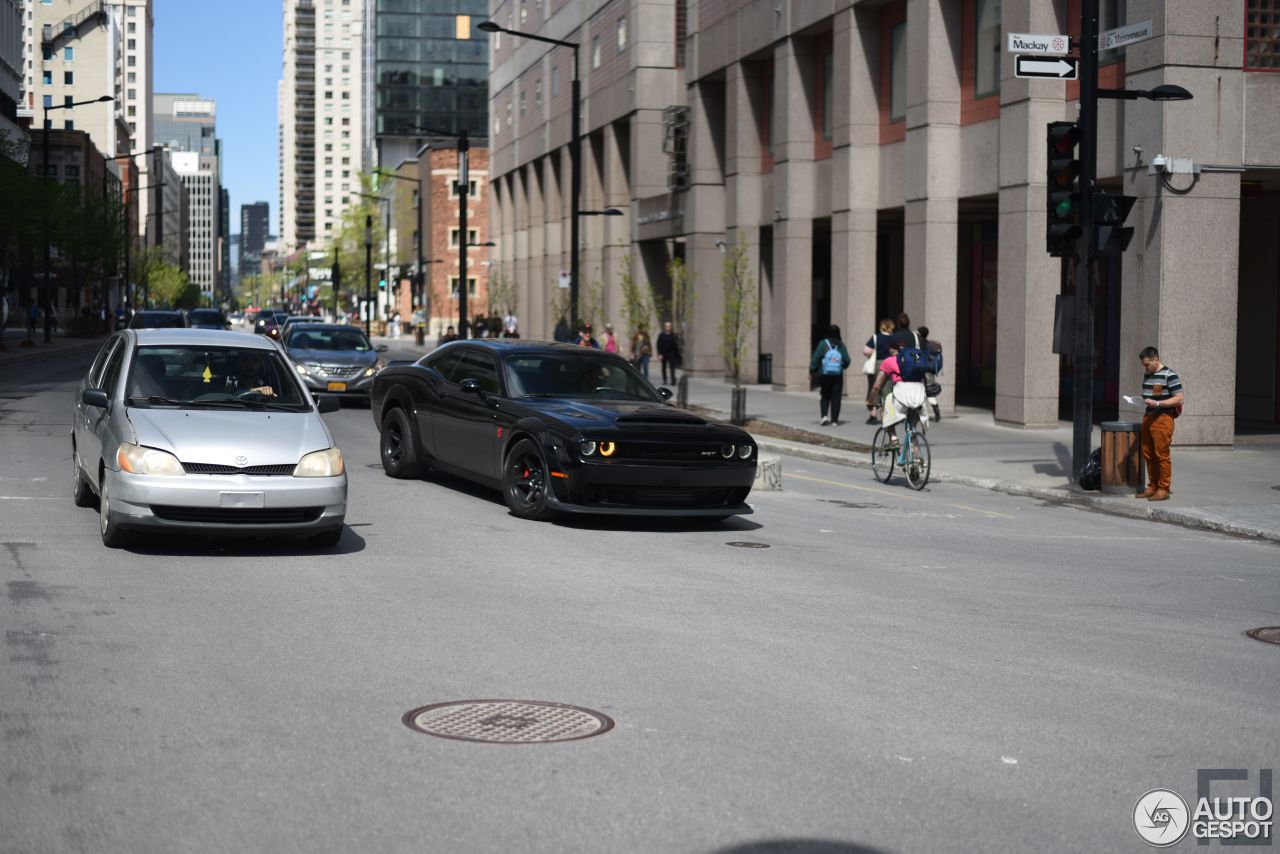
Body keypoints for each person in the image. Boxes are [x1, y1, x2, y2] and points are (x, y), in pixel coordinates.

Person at [1137, 346, 1184, 501]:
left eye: (1147, 364)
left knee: (1161, 454)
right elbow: (1150, 395)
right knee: (1148, 453)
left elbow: (1179, 398)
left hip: (1163, 418)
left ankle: (1163, 488)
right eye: (1144, 365)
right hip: (1148, 417)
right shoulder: (1148, 374)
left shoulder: (1169, 375)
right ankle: (1152, 486)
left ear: (1156, 359)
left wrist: (1158, 404)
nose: (1145, 367)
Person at [809, 325, 851, 426]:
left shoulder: (823, 344)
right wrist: (842, 367)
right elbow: (847, 360)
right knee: (836, 397)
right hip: (837, 374)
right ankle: (834, 420)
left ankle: (824, 416)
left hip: (824, 374)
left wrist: (812, 370)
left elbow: (816, 358)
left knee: (825, 395)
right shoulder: (841, 345)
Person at [862, 318, 895, 424]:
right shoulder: (894, 338)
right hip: (890, 364)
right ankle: (887, 416)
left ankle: (873, 414)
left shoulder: (876, 337)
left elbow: (866, 351)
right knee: (888, 390)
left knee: (875, 387)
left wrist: (872, 353)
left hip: (878, 364)